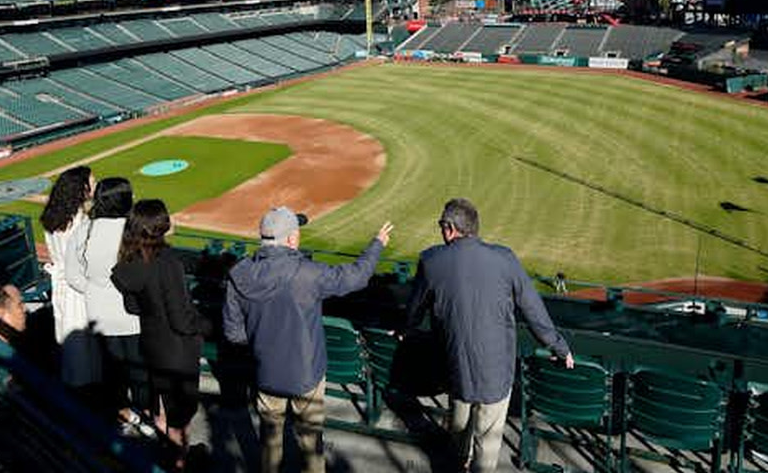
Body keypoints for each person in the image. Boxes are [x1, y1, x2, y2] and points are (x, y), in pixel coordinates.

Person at [406, 198, 573, 473]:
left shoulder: (431, 260)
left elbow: (413, 311)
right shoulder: (505, 259)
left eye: (441, 226)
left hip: (456, 371)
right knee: (487, 445)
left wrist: (405, 328)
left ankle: (459, 464)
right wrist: (559, 346)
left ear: (450, 229)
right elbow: (533, 310)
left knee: (458, 435)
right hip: (495, 375)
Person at [222, 207, 393, 473]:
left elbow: (233, 334)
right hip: (306, 375)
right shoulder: (307, 273)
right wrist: (377, 244)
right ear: (291, 239)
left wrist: (263, 341)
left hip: (266, 373)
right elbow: (356, 277)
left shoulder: (240, 273)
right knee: (311, 444)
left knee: (270, 442)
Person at [111, 199, 212, 464]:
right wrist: (207, 326)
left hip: (151, 345)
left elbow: (132, 307)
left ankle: (172, 456)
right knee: (179, 417)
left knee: (163, 411)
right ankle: (179, 461)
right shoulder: (168, 262)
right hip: (177, 351)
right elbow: (181, 321)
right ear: (160, 225)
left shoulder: (130, 259)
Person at [80, 177, 148, 427]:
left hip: (100, 315)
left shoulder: (86, 229)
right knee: (139, 371)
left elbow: (75, 275)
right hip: (131, 316)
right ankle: (146, 417)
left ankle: (121, 416)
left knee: (111, 371)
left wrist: (96, 289)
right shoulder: (134, 230)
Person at [41, 165, 100, 390]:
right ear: (81, 189)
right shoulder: (81, 223)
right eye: (91, 183)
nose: (95, 186)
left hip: (62, 286)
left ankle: (74, 383)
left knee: (69, 339)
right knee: (83, 344)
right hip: (79, 288)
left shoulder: (53, 218)